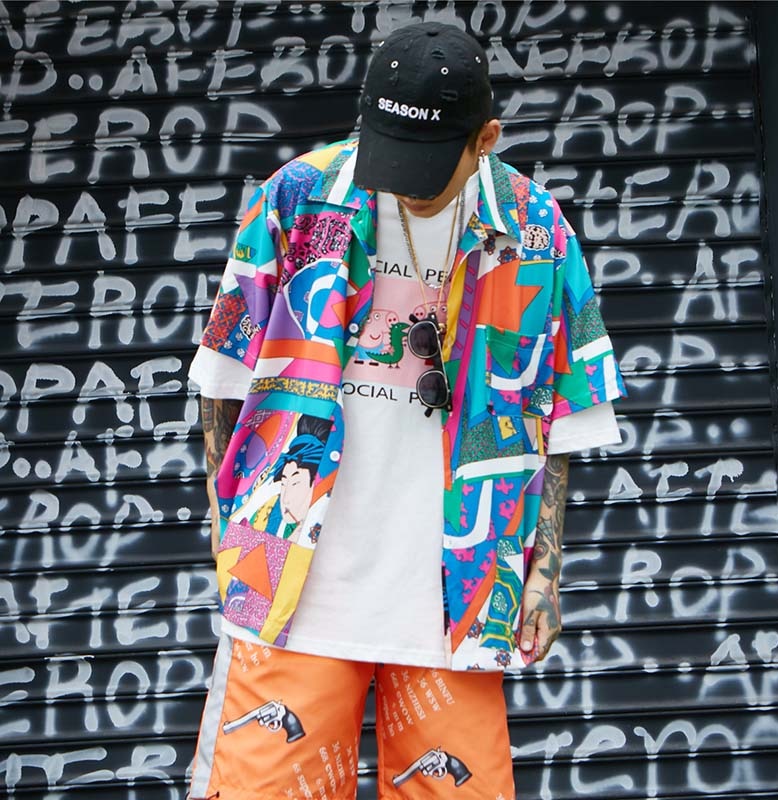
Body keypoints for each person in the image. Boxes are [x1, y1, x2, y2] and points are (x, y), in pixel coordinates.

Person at [187, 21, 625, 800]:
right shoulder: (298, 196)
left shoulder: (537, 231)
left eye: (427, 165)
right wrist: (232, 539)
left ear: (485, 139)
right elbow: (223, 382)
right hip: (291, 587)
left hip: (458, 597)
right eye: (391, 153)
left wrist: (545, 573)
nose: (403, 184)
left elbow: (563, 415)